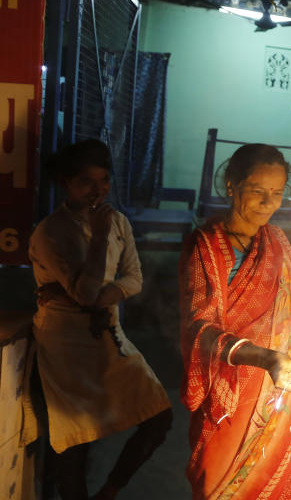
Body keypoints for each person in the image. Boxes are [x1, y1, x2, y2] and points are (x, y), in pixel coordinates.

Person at [29, 139, 172, 500]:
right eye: (86, 182)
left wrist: (104, 296)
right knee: (76, 441)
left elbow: (133, 278)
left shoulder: (118, 221)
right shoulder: (51, 232)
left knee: (159, 417)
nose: (98, 190)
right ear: (66, 183)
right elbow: (84, 292)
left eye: (104, 180)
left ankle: (108, 491)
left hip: (107, 335)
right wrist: (100, 238)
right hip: (67, 346)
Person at [179, 144, 291, 500]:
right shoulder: (205, 247)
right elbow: (200, 329)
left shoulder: (278, 242)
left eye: (277, 193)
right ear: (231, 185)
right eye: (257, 191)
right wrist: (265, 358)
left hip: (276, 393)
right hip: (229, 396)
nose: (268, 203)